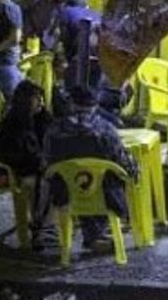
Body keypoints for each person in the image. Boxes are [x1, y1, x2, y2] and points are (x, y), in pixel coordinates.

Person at [43, 86, 138, 253]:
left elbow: (47, 160)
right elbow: (123, 162)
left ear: (70, 104)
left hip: (64, 192)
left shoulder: (54, 130)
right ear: (94, 106)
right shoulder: (106, 130)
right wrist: (134, 173)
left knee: (79, 179)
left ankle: (88, 235)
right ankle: (97, 234)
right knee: (105, 177)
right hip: (104, 193)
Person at [0, 80, 53, 247]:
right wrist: (41, 164)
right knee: (47, 183)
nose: (41, 102)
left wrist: (44, 116)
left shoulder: (34, 118)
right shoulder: (13, 125)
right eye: (37, 99)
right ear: (26, 101)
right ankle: (40, 229)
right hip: (6, 171)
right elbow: (17, 157)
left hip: (24, 167)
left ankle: (44, 225)